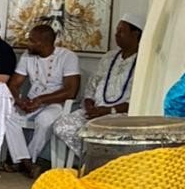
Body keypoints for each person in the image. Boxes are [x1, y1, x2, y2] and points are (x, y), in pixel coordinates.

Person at [52, 15, 143, 162]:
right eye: (116, 31)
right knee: (62, 126)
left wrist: (109, 110)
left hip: (120, 115)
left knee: (100, 133)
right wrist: (89, 102)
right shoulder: (109, 57)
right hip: (95, 110)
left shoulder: (144, 61)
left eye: (121, 31)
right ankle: (93, 162)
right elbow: (93, 84)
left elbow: (139, 99)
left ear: (135, 34)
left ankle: (103, 165)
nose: (116, 35)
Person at [3, 23, 81, 177]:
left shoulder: (67, 57)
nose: (28, 44)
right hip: (31, 101)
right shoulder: (27, 56)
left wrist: (40, 100)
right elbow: (14, 84)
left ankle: (24, 161)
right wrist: (18, 100)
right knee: (7, 114)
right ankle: (27, 162)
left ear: (44, 43)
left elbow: (71, 91)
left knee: (44, 119)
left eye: (32, 41)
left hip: (56, 103)